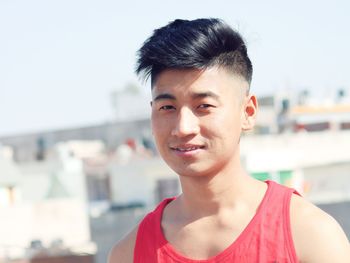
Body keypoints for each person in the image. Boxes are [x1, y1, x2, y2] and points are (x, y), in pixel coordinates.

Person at [109, 18, 350, 262]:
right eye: (167, 107)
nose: (183, 128)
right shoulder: (128, 254)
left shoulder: (309, 236)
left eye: (203, 106)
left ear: (248, 112)